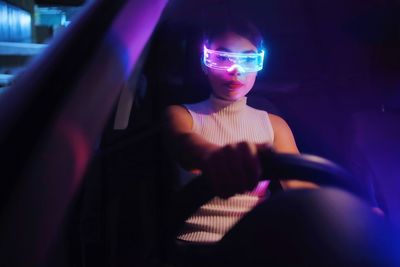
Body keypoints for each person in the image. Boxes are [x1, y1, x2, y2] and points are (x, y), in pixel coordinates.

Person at [164, 17, 317, 245]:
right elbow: (186, 145)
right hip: (193, 250)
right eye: (223, 58)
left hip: (257, 248)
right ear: (205, 63)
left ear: (258, 65)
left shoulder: (274, 125)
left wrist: (350, 205)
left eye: (247, 59)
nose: (235, 70)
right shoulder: (180, 115)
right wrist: (216, 158)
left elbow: (300, 185)